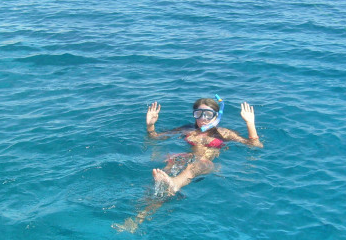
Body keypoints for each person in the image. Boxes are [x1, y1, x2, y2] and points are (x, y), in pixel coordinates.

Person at [113, 96, 263, 232]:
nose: (203, 118)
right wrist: (150, 126)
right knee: (161, 183)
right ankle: (137, 218)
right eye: (199, 114)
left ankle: (174, 184)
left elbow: (256, 146)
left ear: (217, 116)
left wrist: (250, 123)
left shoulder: (224, 133)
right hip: (185, 160)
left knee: (196, 165)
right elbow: (155, 138)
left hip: (206, 165)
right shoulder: (187, 129)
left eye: (208, 114)